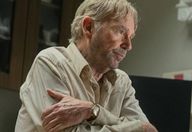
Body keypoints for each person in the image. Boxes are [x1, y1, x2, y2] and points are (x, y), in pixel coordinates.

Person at [15, 0, 158, 131]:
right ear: (89, 27)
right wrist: (133, 128)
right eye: (121, 31)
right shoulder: (52, 62)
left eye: (130, 36)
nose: (128, 45)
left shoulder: (122, 81)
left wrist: (93, 111)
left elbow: (150, 130)